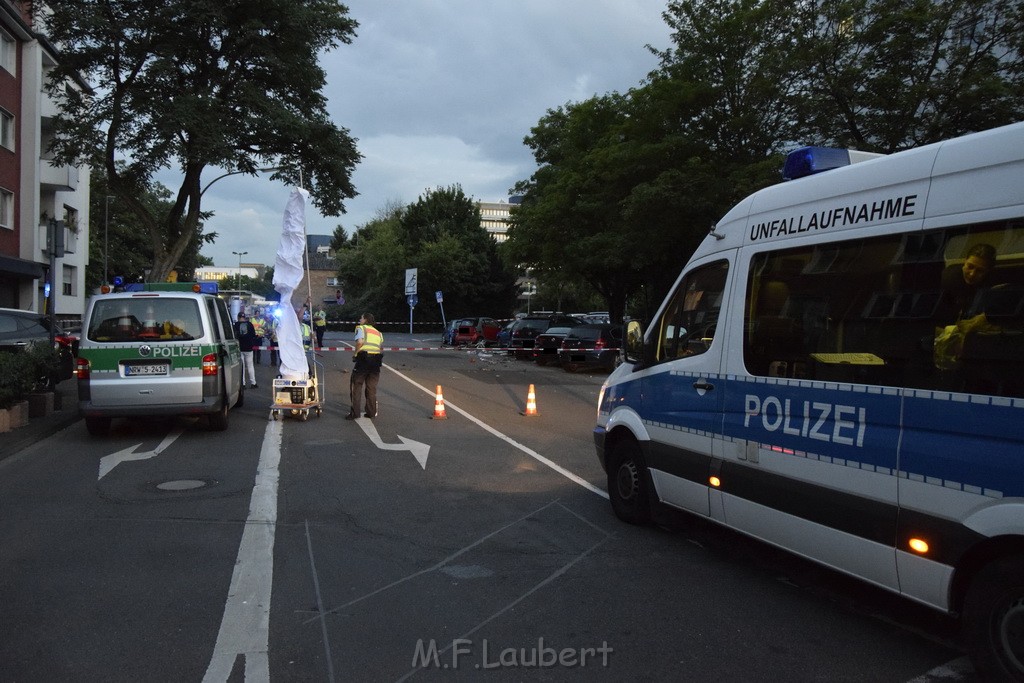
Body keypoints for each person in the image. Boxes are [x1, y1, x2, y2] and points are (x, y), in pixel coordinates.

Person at [346, 312, 383, 419]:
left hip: (363, 360)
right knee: (371, 388)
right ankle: (371, 413)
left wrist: (355, 354)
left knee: (356, 386)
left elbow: (360, 342)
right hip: (376, 362)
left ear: (365, 320)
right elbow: (379, 347)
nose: (360, 319)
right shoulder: (378, 333)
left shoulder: (361, 329)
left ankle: (355, 413)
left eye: (361, 318)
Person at [234, 311, 258, 388]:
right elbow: (253, 335)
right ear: (245, 317)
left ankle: (243, 384)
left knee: (242, 366)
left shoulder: (235, 325)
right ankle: (253, 383)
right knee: (250, 365)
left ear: (238, 317)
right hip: (249, 348)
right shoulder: (250, 324)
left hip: (239, 348)